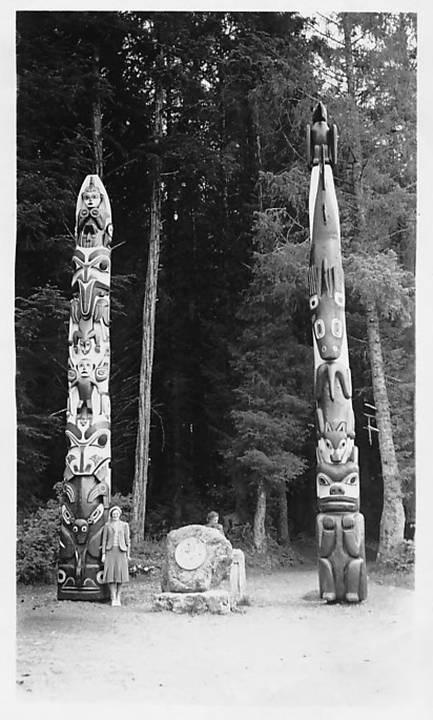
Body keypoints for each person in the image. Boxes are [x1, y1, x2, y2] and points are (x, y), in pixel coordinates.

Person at [101, 506, 131, 606]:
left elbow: (128, 541)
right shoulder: (107, 525)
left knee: (120, 575)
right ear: (111, 515)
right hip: (110, 551)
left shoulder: (124, 525)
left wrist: (128, 554)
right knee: (111, 575)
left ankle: (119, 597)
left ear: (119, 514)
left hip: (121, 551)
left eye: (117, 514)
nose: (115, 516)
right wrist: (103, 554)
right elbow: (104, 540)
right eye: (113, 514)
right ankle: (113, 597)